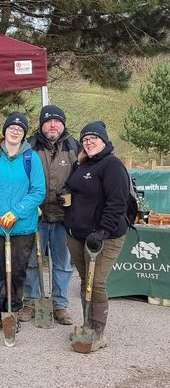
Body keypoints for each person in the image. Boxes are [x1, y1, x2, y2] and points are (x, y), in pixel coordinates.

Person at [0, 112, 46, 331]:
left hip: (22, 226)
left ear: (24, 134)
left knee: (17, 271)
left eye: (20, 129)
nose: (15, 131)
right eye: (11, 127)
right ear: (4, 130)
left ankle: (13, 311)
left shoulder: (30, 158)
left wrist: (17, 212)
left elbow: (38, 191)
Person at [64, 121, 129, 352]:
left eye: (93, 138)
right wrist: (66, 192)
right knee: (86, 281)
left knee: (97, 282)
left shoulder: (112, 165)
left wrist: (103, 231)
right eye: (85, 139)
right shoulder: (81, 163)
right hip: (78, 234)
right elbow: (73, 188)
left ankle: (97, 331)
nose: (88, 142)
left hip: (105, 236)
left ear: (104, 140)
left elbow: (117, 202)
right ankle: (86, 324)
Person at [20, 105, 78, 325]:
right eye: (48, 121)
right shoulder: (30, 147)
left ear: (63, 124)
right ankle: (31, 301)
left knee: (62, 264)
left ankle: (59, 305)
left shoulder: (73, 146)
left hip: (64, 217)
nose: (52, 125)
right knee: (32, 262)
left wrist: (71, 193)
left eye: (57, 121)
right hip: (37, 217)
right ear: (41, 125)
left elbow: (81, 176)